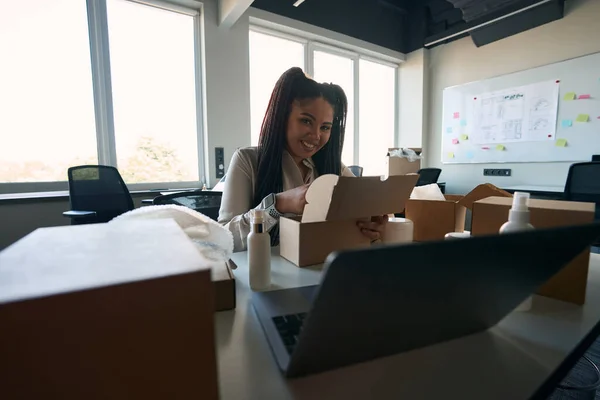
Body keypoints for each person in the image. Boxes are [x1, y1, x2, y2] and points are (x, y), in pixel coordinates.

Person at [218, 67, 388, 252]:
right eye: (306, 121)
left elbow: (363, 211)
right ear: (282, 117)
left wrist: (372, 224)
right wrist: (278, 205)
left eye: (325, 127)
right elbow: (224, 239)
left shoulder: (334, 168)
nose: (316, 136)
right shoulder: (248, 161)